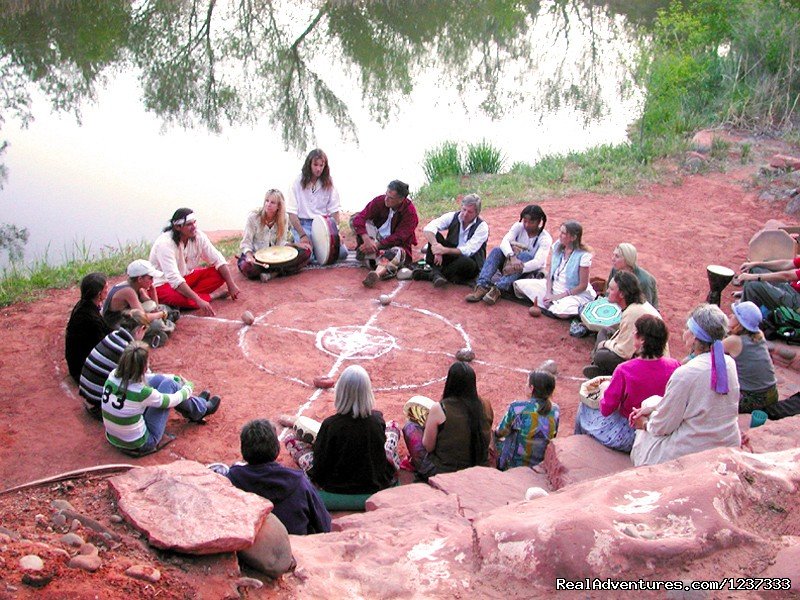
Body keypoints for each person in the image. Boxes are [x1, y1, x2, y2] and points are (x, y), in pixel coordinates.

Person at [629, 304, 741, 467]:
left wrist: (644, 424)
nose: (684, 332)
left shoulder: (686, 373)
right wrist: (653, 408)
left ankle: (641, 469)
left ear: (695, 337)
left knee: (647, 426)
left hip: (693, 452)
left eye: (688, 328)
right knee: (651, 402)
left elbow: (663, 426)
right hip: (727, 441)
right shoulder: (728, 363)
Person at [283, 365, 399, 494]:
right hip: (374, 482)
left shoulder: (330, 425)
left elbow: (320, 465)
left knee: (291, 439)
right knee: (392, 426)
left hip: (335, 485)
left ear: (340, 392)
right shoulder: (377, 420)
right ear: (367, 392)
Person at [575, 315, 680, 453]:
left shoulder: (625, 370)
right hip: (659, 426)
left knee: (583, 407)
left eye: (635, 332)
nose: (632, 334)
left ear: (642, 340)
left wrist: (605, 389)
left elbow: (606, 409)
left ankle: (578, 447)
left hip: (629, 432)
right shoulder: (675, 365)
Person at [102, 341, 221, 456]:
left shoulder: (113, 375)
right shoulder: (142, 392)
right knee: (169, 386)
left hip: (114, 437)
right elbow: (171, 400)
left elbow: (149, 377)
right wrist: (188, 388)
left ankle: (198, 406)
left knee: (162, 380)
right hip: (141, 443)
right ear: (143, 367)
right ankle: (201, 409)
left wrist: (171, 377)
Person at [222, 419, 331, 535]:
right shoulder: (299, 481)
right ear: (277, 449)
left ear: (243, 450)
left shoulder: (231, 479)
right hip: (295, 548)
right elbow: (324, 525)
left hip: (250, 549)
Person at [402, 362, 494, 478]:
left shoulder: (440, 409)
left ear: (450, 383)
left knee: (410, 427)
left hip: (444, 473)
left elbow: (428, 446)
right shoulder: (486, 404)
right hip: (479, 467)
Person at [149, 208, 240, 316]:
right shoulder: (165, 244)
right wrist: (199, 300)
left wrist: (231, 284)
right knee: (184, 299)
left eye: (194, 222)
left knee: (219, 274)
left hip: (186, 278)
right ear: (178, 227)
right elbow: (174, 279)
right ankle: (210, 296)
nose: (194, 227)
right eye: (189, 224)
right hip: (163, 284)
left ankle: (189, 298)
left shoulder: (198, 236)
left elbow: (217, 259)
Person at [582, 271, 665, 379]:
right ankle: (600, 367)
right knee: (604, 332)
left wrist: (605, 344)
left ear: (622, 294)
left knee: (601, 356)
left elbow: (624, 352)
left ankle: (607, 371)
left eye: (611, 289)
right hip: (640, 352)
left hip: (648, 359)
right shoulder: (634, 306)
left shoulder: (632, 313)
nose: (607, 291)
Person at [466, 204, 552, 305]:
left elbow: (538, 262)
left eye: (531, 222)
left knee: (526, 256)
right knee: (496, 250)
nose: (527, 225)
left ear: (539, 222)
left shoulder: (545, 238)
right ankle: (482, 286)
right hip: (509, 266)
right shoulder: (518, 227)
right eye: (525, 221)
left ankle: (498, 289)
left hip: (527, 271)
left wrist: (517, 268)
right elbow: (504, 242)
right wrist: (512, 256)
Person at [514, 220, 596, 318]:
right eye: (560, 232)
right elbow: (550, 274)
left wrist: (557, 297)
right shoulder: (557, 246)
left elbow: (583, 286)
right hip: (554, 287)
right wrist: (548, 293)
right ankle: (551, 304)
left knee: (561, 312)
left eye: (563, 233)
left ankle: (559, 305)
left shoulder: (583, 255)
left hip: (572, 293)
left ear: (573, 237)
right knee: (518, 285)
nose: (560, 235)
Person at [352, 180, 419, 288]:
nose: (386, 199)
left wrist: (376, 245)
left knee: (398, 251)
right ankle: (369, 253)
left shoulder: (410, 214)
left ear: (401, 200)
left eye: (391, 198)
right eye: (386, 194)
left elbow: (399, 237)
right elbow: (360, 218)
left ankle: (376, 273)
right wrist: (367, 239)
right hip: (374, 239)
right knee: (355, 219)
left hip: (392, 245)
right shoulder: (380, 201)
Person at [286, 149, 348, 262]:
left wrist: (335, 232)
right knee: (308, 255)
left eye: (321, 165)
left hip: (323, 225)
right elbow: (292, 214)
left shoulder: (329, 182)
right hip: (303, 224)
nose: (318, 169)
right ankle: (293, 243)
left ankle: (310, 248)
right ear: (309, 164)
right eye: (315, 165)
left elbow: (334, 212)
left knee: (342, 253)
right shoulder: (297, 182)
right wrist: (302, 235)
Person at [238, 189, 312, 282]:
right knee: (247, 267)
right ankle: (278, 271)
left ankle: (273, 273)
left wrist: (296, 245)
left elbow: (281, 243)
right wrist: (249, 256)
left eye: (272, 202)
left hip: (277, 257)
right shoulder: (253, 217)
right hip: (257, 257)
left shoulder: (284, 218)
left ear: (278, 206)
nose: (268, 204)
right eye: (267, 201)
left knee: (306, 252)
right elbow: (246, 243)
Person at [417, 194, 489, 287]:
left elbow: (469, 250)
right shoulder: (453, 216)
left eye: (470, 212)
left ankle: (433, 274)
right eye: (464, 209)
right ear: (461, 207)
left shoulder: (482, 227)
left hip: (470, 261)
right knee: (436, 236)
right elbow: (429, 228)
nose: (465, 214)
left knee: (466, 262)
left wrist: (444, 250)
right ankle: (437, 274)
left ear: (477, 213)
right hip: (451, 256)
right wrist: (436, 246)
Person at [102, 259, 178, 346]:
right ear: (140, 279)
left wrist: (153, 291)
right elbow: (143, 317)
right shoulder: (128, 291)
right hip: (116, 324)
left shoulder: (137, 288)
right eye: (150, 278)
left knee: (162, 308)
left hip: (128, 315)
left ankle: (166, 322)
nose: (152, 281)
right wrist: (162, 314)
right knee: (157, 324)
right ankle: (145, 337)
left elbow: (155, 306)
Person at [494, 369, 559, 469]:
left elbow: (501, 432)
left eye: (527, 383)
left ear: (531, 388)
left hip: (515, 465)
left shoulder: (517, 408)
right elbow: (553, 436)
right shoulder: (555, 410)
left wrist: (494, 435)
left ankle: (502, 468)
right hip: (539, 464)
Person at [723, 301, 778, 413]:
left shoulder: (734, 341)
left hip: (754, 398)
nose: (730, 315)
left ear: (740, 323)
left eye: (734, 315)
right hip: (772, 393)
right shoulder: (759, 334)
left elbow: (709, 350)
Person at [65, 273, 111, 382]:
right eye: (106, 289)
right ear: (99, 294)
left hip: (79, 364)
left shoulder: (82, 306)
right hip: (84, 371)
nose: (107, 291)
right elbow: (104, 345)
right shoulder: (89, 318)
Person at [607, 243, 659, 308]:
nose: (613, 259)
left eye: (617, 256)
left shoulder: (644, 281)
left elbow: (647, 307)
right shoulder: (615, 270)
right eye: (613, 255)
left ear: (627, 259)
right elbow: (608, 292)